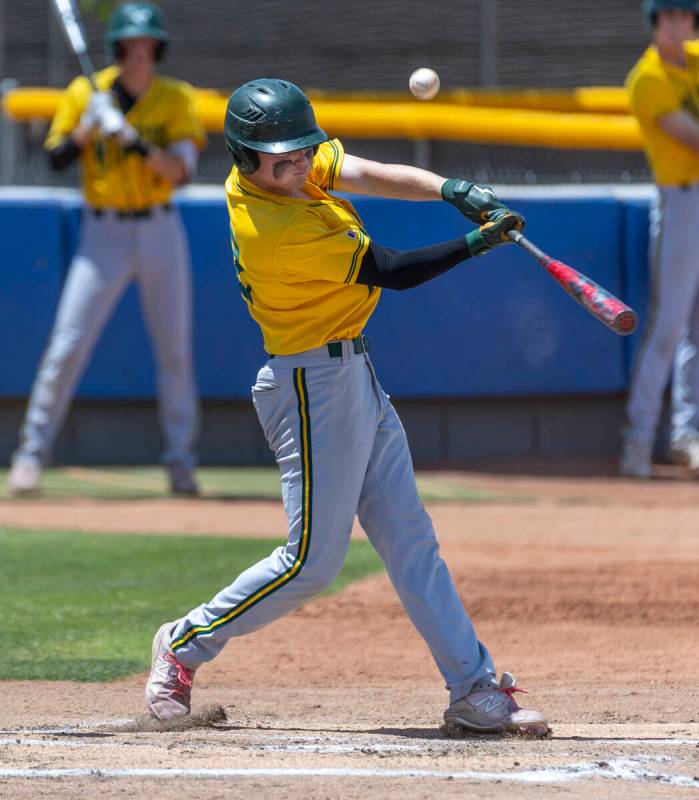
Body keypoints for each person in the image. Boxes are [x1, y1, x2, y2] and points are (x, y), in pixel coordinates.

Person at [145, 79, 548, 736]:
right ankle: (183, 645)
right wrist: (477, 242)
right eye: (282, 158)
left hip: (353, 372)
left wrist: (448, 189)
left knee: (411, 541)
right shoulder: (273, 226)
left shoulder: (286, 172)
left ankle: (473, 688)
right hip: (308, 387)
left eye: (302, 151)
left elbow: (362, 169)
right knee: (310, 563)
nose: (300, 164)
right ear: (246, 159)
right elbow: (392, 269)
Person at [6, 2, 205, 496]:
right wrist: (89, 127)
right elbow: (55, 159)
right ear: (117, 49)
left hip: (160, 229)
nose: (139, 55)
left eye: (147, 46)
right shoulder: (84, 94)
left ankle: (181, 463)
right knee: (67, 344)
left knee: (175, 351)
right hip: (103, 235)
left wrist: (133, 141)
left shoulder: (176, 98)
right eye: (130, 47)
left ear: (158, 48)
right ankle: (30, 455)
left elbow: (180, 172)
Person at [621, 0, 699, 478]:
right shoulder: (646, 77)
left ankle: (685, 437)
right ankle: (637, 444)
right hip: (681, 202)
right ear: (655, 21)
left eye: (684, 15)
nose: (676, 24)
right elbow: (690, 136)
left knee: (698, 331)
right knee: (669, 327)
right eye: (667, 15)